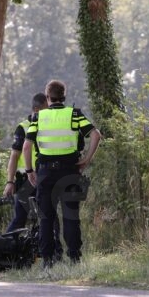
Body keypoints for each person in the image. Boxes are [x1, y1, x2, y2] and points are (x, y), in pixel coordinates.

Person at [23, 80, 102, 268]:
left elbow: (27, 147)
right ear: (64, 96)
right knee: (71, 216)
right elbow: (96, 135)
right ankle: (74, 258)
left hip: (45, 173)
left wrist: (29, 171)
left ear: (47, 96)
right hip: (69, 170)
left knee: (46, 217)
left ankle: (47, 261)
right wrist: (86, 159)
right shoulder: (74, 115)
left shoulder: (38, 118)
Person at [2, 93, 63, 260]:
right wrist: (10, 181)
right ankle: (3, 252)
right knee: (20, 218)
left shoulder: (49, 125)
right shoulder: (23, 127)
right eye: (46, 108)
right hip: (25, 181)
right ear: (37, 109)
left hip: (45, 177)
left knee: (50, 216)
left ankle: (55, 254)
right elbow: (14, 157)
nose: (49, 111)